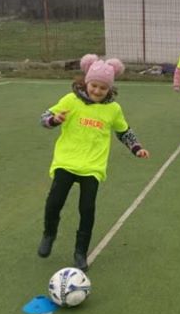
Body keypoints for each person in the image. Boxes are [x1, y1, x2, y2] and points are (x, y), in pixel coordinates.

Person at [38, 54, 150, 271]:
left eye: (102, 88)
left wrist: (136, 148)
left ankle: (80, 252)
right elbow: (44, 118)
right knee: (54, 201)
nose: (97, 91)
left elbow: (123, 131)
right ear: (86, 82)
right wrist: (53, 120)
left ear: (110, 89)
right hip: (66, 162)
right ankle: (49, 234)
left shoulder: (113, 109)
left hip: (92, 167)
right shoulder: (70, 101)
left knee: (87, 209)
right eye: (94, 85)